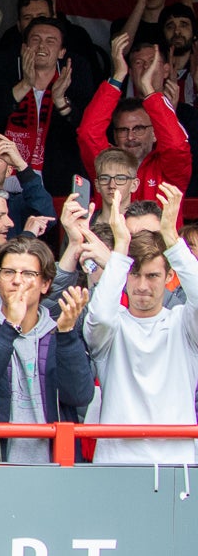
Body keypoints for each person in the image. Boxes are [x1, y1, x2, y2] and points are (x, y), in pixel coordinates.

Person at [81, 184, 198, 466]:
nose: (143, 286)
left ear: (170, 275)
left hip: (177, 462)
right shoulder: (111, 325)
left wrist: (171, 238)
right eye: (135, 274)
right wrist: (120, 250)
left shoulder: (183, 321)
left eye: (153, 275)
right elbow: (100, 319)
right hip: (116, 462)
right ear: (124, 274)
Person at [0, 237, 93, 464]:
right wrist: (10, 328)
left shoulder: (60, 331)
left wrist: (67, 334)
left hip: (55, 467)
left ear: (45, 284)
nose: (17, 281)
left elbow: (79, 395)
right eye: (9, 272)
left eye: (28, 274)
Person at [79, 33, 190, 213]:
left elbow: (177, 146)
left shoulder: (168, 169)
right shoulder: (106, 165)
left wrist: (148, 89)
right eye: (123, 130)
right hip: (110, 240)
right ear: (114, 135)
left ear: (155, 133)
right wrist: (118, 75)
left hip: (158, 241)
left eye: (139, 128)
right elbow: (88, 133)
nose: (131, 136)